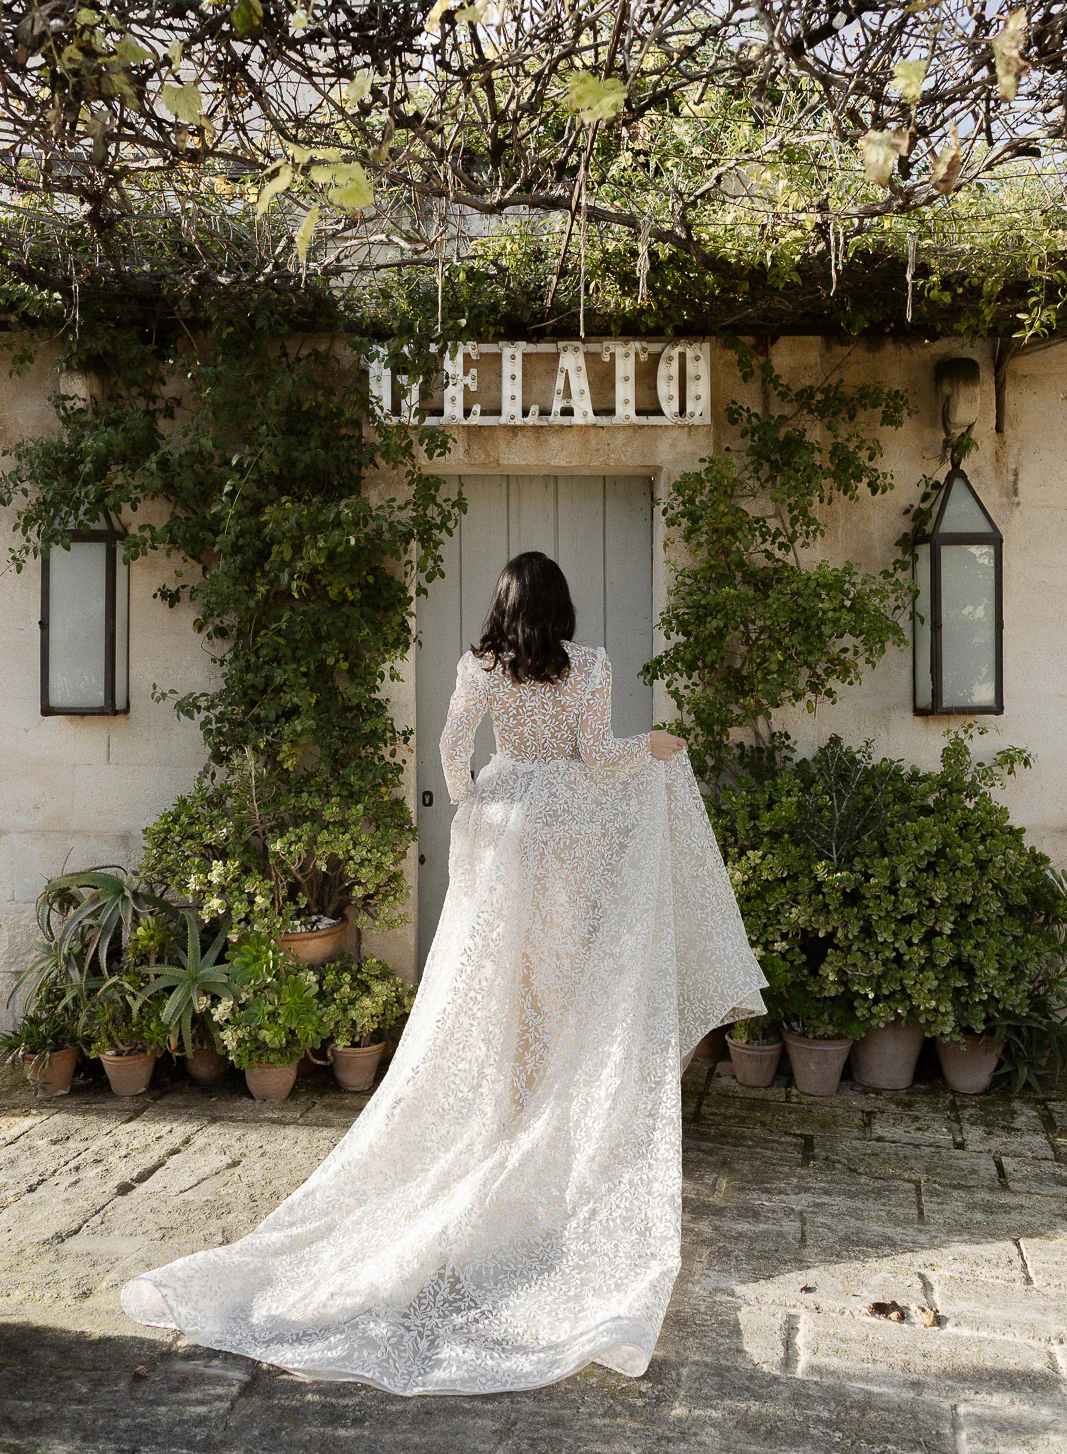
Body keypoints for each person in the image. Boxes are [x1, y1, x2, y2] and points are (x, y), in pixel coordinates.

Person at [120, 550, 768, 1394]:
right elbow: (601, 760)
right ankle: (545, 1127)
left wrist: (473, 809)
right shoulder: (592, 665)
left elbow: (452, 746)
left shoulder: (480, 665)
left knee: (496, 990)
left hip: (506, 841)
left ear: (503, 605)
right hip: (566, 841)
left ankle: (503, 1120)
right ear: (561, 604)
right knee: (559, 987)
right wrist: (652, 745)